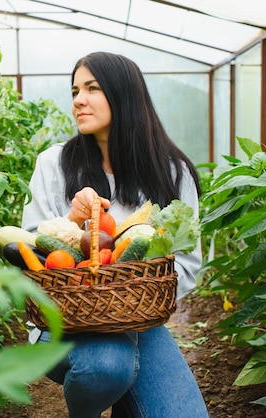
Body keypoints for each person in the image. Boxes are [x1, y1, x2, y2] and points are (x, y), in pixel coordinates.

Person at [21, 51, 208, 418]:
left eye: (92, 88)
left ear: (123, 95)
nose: (78, 99)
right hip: (63, 321)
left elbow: (186, 264)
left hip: (139, 322)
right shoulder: (53, 163)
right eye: (75, 90)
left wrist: (128, 299)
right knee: (107, 366)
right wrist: (72, 223)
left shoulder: (173, 172)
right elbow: (30, 253)